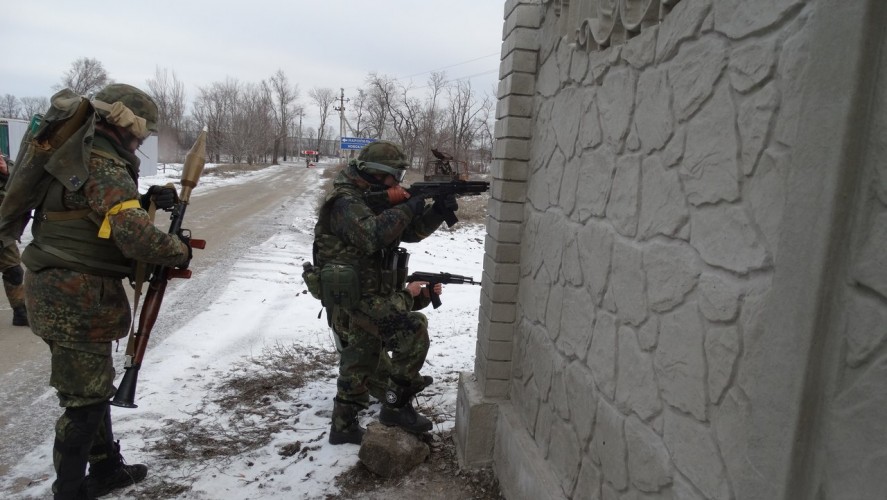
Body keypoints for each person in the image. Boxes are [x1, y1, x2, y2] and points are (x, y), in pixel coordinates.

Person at [21, 83, 191, 499]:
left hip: (56, 288)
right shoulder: (104, 164)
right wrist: (178, 251)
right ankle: (72, 489)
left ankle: (106, 469)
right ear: (126, 125)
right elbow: (134, 238)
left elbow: (93, 212)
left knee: (91, 388)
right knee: (84, 401)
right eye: (143, 132)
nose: (144, 139)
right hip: (77, 295)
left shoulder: (81, 155)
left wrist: (147, 197)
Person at [311, 140, 459, 445]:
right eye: (395, 176)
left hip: (366, 297)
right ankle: (395, 404)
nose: (398, 182)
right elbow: (372, 236)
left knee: (360, 359)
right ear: (377, 175)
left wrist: (436, 212)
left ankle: (343, 426)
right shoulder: (345, 203)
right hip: (352, 301)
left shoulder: (369, 199)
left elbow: (408, 232)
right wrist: (408, 205)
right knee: (413, 328)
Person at [0, 153, 28, 326]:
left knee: (14, 271)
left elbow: (21, 189)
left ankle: (20, 312)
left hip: (3, 229)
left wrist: (5, 173)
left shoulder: (8, 164)